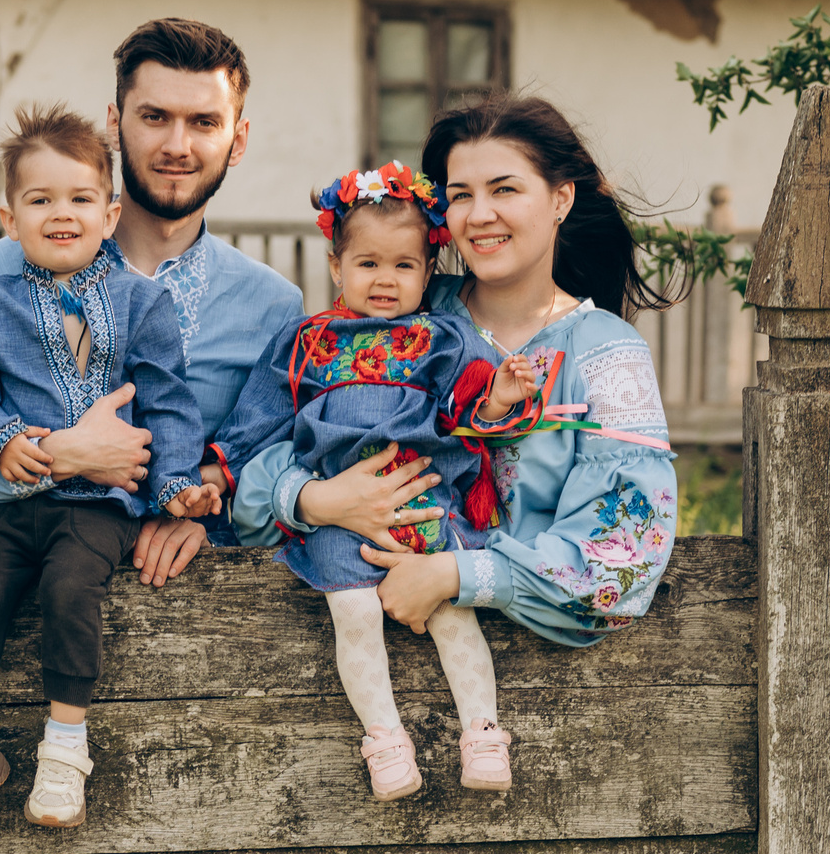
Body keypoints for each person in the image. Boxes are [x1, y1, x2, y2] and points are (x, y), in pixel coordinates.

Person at [0, 19, 357, 585]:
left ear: (238, 140)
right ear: (114, 124)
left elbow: (275, 468)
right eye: (154, 117)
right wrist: (60, 458)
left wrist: (207, 516)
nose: (177, 145)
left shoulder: (273, 304)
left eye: (204, 122)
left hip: (200, 633)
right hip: (34, 621)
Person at [233, 95, 680, 646]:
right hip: (356, 669)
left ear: (561, 198)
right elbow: (257, 465)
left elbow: (625, 555)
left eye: (505, 189)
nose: (478, 214)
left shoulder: (607, 351)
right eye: (461, 195)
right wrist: (316, 500)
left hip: (540, 683)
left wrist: (454, 574)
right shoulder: (397, 312)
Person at [0, 106, 218, 831]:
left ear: (110, 212)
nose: (62, 213)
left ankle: (66, 746)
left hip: (96, 508)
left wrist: (177, 481)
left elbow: (171, 403)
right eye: (41, 200)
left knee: (69, 589)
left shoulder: (141, 302)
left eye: (81, 198)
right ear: (9, 216)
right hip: (4, 501)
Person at [217, 162, 542, 798]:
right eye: (367, 264)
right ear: (337, 265)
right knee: (355, 610)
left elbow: (466, 410)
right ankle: (385, 738)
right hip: (339, 514)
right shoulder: (307, 341)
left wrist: (499, 394)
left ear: (428, 270)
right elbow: (257, 419)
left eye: (404, 265)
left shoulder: (441, 338)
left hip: (426, 502)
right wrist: (216, 470)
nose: (385, 280)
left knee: (454, 614)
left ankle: (482, 733)